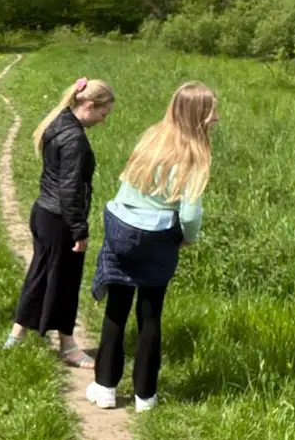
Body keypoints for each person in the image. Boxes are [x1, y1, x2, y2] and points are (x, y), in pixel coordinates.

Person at [86, 81, 219, 412]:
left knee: (116, 309)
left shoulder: (151, 137)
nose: (216, 118)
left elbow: (127, 183)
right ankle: (145, 395)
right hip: (157, 238)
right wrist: (187, 237)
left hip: (121, 228)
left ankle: (104, 387)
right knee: (150, 315)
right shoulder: (196, 156)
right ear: (199, 116)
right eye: (212, 112)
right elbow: (189, 213)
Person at [5, 76, 114, 367]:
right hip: (60, 220)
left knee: (40, 274)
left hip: (43, 212)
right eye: (103, 114)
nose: (103, 121)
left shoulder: (58, 121)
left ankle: (16, 336)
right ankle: (68, 347)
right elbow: (70, 189)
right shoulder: (75, 138)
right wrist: (79, 229)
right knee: (65, 282)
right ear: (89, 105)